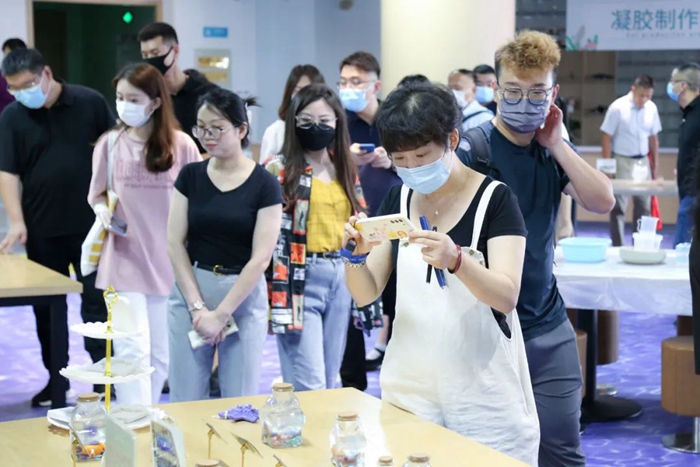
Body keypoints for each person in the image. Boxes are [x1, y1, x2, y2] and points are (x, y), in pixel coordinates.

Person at [343, 82, 539, 466]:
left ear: (452, 139)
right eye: (401, 159)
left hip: (482, 390)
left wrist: (458, 261)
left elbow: (506, 296)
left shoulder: (495, 200)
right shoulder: (398, 198)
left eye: (422, 155)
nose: (412, 168)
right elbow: (366, 293)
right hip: (409, 385)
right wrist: (355, 257)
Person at [457, 31, 615, 466]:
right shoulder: (473, 150)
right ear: (495, 90)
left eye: (537, 92)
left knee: (562, 449)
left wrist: (557, 144)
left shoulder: (551, 149)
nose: (524, 102)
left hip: (547, 324)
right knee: (493, 452)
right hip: (486, 329)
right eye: (513, 91)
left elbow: (602, 200)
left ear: (553, 94)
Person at [0, 48, 114, 406]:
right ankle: (56, 380)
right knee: (47, 309)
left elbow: (116, 153)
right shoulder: (12, 117)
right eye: (14, 88)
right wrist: (16, 221)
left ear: (46, 74)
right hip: (42, 227)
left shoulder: (89, 102)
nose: (21, 94)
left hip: (91, 226)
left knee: (97, 306)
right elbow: (8, 172)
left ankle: (104, 377)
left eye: (27, 85)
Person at [87, 63, 200, 405]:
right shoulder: (109, 144)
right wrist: (102, 211)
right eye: (120, 97)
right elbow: (96, 194)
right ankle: (133, 419)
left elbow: (198, 200)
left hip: (169, 263)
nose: (124, 105)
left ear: (155, 102)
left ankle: (144, 416)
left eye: (133, 99)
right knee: (130, 348)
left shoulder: (182, 146)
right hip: (123, 261)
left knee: (161, 353)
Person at [167, 88, 282, 401]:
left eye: (217, 128)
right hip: (192, 290)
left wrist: (220, 314)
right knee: (185, 399)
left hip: (242, 294)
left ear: (241, 130)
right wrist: (198, 307)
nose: (208, 136)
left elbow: (261, 259)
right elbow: (174, 242)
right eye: (201, 128)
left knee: (239, 401)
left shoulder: (265, 184)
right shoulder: (190, 175)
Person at [266, 83, 365, 391]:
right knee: (309, 384)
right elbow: (267, 235)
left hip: (341, 276)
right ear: (294, 122)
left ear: (337, 122)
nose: (316, 128)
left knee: (330, 379)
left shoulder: (344, 167)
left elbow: (359, 216)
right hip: (299, 278)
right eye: (306, 120)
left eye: (324, 121)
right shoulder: (278, 168)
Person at [338, 51, 401, 386]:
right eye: (344, 82)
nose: (349, 88)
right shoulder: (339, 123)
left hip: (395, 227)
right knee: (352, 305)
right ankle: (353, 385)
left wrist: (390, 162)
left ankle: (397, 382)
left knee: (397, 304)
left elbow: (420, 164)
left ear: (375, 86)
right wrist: (347, 159)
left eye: (356, 82)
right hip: (355, 227)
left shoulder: (395, 120)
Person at [601, 75, 662, 246]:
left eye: (648, 96)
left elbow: (653, 139)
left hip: (643, 161)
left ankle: (640, 245)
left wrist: (655, 165)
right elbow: (606, 137)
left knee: (644, 207)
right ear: (633, 89)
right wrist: (608, 168)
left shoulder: (652, 108)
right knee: (618, 207)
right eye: (641, 95)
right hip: (621, 160)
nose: (644, 100)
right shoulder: (618, 108)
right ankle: (618, 245)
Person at [139, 22, 217, 155]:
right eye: (145, 56)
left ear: (175, 51)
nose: (150, 60)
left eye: (155, 53)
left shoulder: (208, 95)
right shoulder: (148, 97)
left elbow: (219, 149)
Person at [260, 65, 325, 164]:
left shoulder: (327, 130)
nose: (303, 97)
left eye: (309, 92)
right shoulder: (275, 131)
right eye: (298, 91)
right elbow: (266, 170)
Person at [668, 62, 700, 246]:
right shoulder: (688, 114)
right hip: (687, 190)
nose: (670, 85)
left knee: (681, 248)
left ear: (683, 86)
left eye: (673, 81)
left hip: (694, 193)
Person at [0, 38, 26, 114]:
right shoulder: (1, 77)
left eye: (11, 55)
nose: (8, 59)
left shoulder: (33, 76)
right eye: (6, 55)